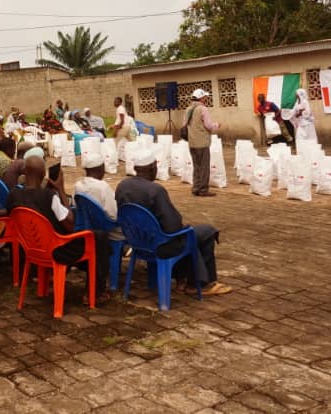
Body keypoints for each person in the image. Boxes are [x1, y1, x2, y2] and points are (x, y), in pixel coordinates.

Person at [115, 148, 231, 297]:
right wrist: (183, 227)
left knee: (187, 234)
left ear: (136, 168)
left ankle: (182, 279)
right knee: (206, 232)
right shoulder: (155, 190)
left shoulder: (123, 186)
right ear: (153, 168)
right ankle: (200, 283)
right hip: (159, 245)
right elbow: (173, 227)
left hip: (137, 242)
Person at [7, 155, 111, 304]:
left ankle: (53, 278)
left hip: (31, 249)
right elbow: (71, 224)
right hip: (57, 250)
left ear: (24, 172)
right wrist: (61, 190)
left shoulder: (13, 195)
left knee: (95, 242)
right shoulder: (49, 196)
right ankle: (95, 293)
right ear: (43, 173)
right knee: (99, 238)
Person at [73, 152, 121, 239]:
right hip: (108, 230)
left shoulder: (78, 185)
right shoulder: (103, 187)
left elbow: (77, 207)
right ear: (101, 168)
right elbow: (114, 215)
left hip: (89, 226)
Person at [184, 88, 221, 197]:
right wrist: (217, 125)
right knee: (204, 166)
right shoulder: (203, 109)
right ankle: (203, 190)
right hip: (202, 142)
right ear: (201, 98)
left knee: (196, 166)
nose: (206, 98)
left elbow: (184, 124)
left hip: (192, 142)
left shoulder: (188, 109)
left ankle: (196, 188)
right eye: (205, 97)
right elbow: (208, 125)